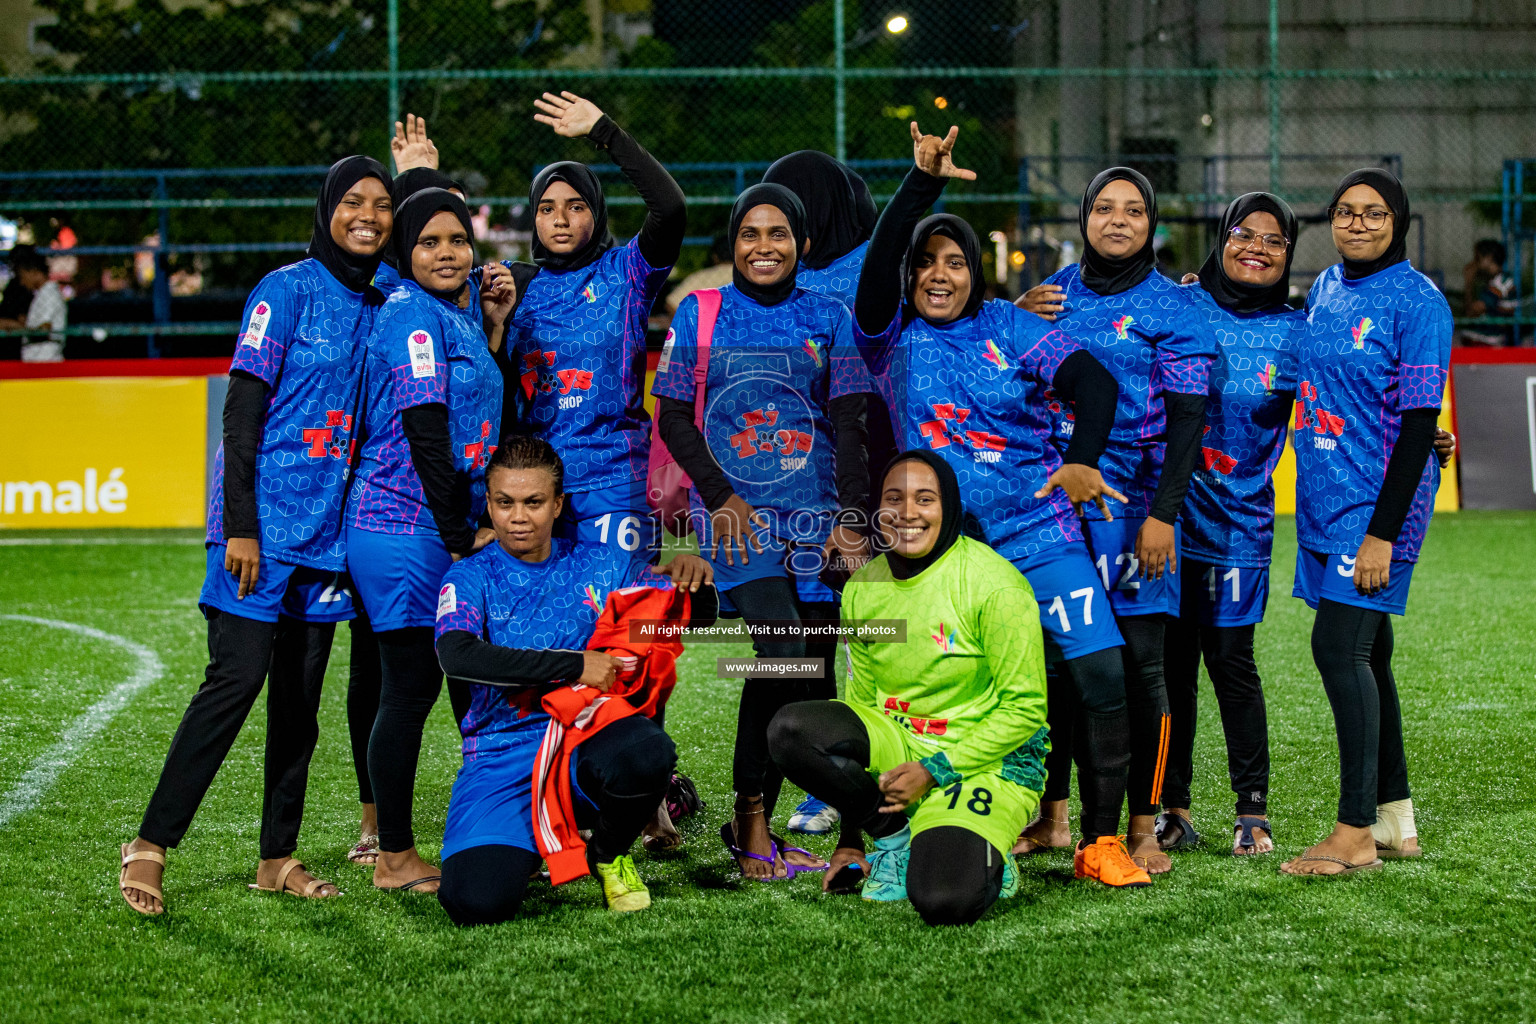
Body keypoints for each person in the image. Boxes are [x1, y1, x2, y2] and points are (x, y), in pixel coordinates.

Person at [852, 123, 1148, 888]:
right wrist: (922, 185)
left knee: (1102, 674)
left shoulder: (1010, 326)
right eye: (926, 263)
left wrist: (1082, 460)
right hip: (949, 557)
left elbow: (1096, 385)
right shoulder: (891, 339)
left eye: (955, 262)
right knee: (983, 693)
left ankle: (1102, 839)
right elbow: (877, 265)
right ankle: (963, 814)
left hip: (1040, 533)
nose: (938, 276)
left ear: (976, 271)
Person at [117, 156, 394, 915]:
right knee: (234, 682)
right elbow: (242, 412)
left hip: (327, 541)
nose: (367, 215)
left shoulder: (383, 303)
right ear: (327, 209)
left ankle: (277, 858)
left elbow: (450, 263)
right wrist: (240, 525)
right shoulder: (286, 290)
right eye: (353, 202)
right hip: (260, 532)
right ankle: (149, 844)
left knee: (298, 707)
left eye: (381, 204)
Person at [651, 182, 871, 881]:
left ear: (802, 244)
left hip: (817, 517)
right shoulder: (702, 311)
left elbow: (853, 422)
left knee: (807, 672)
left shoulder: (829, 315)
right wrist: (720, 495)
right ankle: (750, 823)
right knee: (784, 649)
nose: (764, 246)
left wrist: (849, 519)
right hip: (738, 518)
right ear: (734, 244)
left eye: (778, 233)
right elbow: (675, 416)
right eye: (750, 234)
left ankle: (762, 827)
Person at [1016, 166, 1217, 876]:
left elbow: (1190, 422)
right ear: (1084, 216)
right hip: (1057, 513)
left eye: (1134, 210)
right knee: (1058, 664)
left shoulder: (1175, 307)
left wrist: (1162, 516)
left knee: (1140, 666)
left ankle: (1142, 827)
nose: (1118, 220)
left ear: (1151, 223)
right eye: (1104, 206)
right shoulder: (1049, 296)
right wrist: (1013, 314)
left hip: (1135, 512)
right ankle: (1053, 816)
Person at [434, 437, 718, 925]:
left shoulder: (603, 564)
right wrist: (572, 664)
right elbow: (455, 654)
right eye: (504, 503)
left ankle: (607, 852)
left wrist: (697, 582)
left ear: (558, 504)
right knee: (474, 902)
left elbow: (689, 617)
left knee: (646, 753)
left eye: (533, 502)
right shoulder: (469, 578)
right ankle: (533, 839)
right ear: (488, 504)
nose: (518, 517)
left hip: (585, 741)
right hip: (503, 757)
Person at [768, 452, 1049, 925]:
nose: (908, 513)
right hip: (902, 743)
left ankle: (985, 857)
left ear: (949, 506)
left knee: (944, 900)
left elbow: (1025, 712)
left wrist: (934, 770)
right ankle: (895, 841)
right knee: (792, 729)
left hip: (983, 763)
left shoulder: (994, 585)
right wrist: (853, 840)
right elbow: (862, 704)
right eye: (893, 499)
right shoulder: (862, 586)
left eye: (925, 499)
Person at [1280, 168, 1451, 876]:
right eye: (1345, 212)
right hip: (1324, 503)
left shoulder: (1420, 301)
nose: (1357, 223)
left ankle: (1352, 834)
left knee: (1337, 648)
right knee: (1370, 656)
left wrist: (1382, 531)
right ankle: (1394, 821)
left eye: (1373, 213)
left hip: (1376, 507)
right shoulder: (1325, 286)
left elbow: (1419, 425)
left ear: (1398, 221)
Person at [347, 188, 511, 893]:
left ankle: (469, 831)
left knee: (443, 686)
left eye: (457, 241)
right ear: (403, 255)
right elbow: (424, 435)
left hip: (430, 525)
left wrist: (495, 328)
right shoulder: (413, 316)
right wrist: (460, 534)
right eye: (428, 243)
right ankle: (393, 855)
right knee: (410, 690)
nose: (447, 254)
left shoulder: (454, 313)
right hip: (405, 527)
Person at [1155, 193, 1305, 857]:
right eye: (1245, 233)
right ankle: (1172, 808)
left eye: (1274, 241)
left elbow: (1355, 400)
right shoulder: (1182, 306)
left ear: (1288, 255)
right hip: (1165, 522)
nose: (1257, 248)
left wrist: (1429, 442)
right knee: (1170, 666)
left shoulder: (1298, 334)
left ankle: (1252, 810)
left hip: (1241, 524)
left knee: (1232, 664)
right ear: (1221, 238)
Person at [759, 149, 888, 836]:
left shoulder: (867, 269)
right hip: (805, 485)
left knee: (848, 636)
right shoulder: (786, 281)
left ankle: (843, 776)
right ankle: (828, 773)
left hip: (861, 478)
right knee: (821, 635)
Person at [499, 90, 685, 563]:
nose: (560, 218)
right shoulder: (510, 285)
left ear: (597, 211)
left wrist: (605, 132)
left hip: (613, 478)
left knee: (620, 622)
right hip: (534, 487)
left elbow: (670, 208)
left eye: (576, 205)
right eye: (547, 208)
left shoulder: (627, 273)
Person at [0, 244, 67, 362]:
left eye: (21, 276)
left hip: (45, 364)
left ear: (32, 271)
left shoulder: (49, 295)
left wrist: (12, 325)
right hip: (37, 362)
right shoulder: (41, 295)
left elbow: (43, 330)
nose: (21, 282)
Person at [1459, 238, 1514, 346]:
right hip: (1485, 334)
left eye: (1478, 258)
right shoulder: (1495, 281)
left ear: (1488, 258)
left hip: (1490, 338)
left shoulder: (1501, 283)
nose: (1474, 263)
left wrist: (1468, 283)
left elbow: (1472, 312)